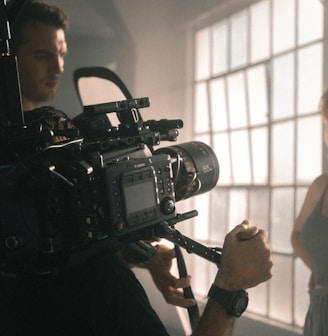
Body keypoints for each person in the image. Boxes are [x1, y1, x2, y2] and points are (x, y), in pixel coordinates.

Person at [0, 1, 273, 335]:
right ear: (8, 63)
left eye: (61, 54)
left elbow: (78, 233)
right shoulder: (95, 277)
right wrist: (231, 286)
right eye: (42, 55)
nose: (57, 67)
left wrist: (140, 254)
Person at [291, 89, 328, 336]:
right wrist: (315, 267)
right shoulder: (321, 185)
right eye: (327, 124)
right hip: (318, 305)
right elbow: (296, 234)